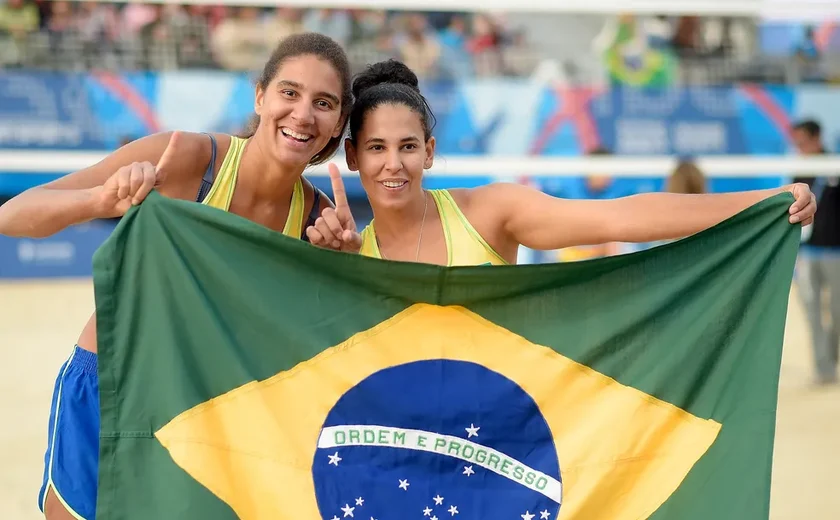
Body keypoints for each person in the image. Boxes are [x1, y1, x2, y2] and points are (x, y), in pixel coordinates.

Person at [0, 32, 353, 520]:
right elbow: (14, 213)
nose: (303, 113)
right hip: (112, 385)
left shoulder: (319, 221)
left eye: (324, 102)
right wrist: (100, 202)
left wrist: (343, 268)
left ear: (337, 124)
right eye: (289, 92)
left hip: (200, 412)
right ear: (260, 96)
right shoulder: (189, 159)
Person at [306, 59, 816, 269]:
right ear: (352, 156)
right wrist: (343, 269)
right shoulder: (348, 251)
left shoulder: (488, 212)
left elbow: (620, 216)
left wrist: (762, 202)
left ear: (430, 152)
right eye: (376, 148)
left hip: (493, 453)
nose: (393, 163)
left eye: (408, 146)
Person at [791, 119, 840, 385]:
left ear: (816, 138)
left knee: (836, 311)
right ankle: (824, 369)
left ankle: (831, 359)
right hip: (807, 253)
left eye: (802, 140)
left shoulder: (834, 165)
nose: (798, 146)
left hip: (835, 252)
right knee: (811, 312)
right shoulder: (799, 169)